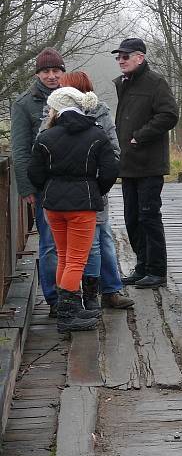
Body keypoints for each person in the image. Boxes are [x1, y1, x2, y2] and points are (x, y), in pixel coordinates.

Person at [28, 87, 119, 333]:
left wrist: (49, 189)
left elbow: (34, 173)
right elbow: (111, 170)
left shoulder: (46, 137)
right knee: (77, 259)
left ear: (57, 108)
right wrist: (95, 189)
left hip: (53, 206)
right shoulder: (96, 135)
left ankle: (66, 306)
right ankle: (68, 315)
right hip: (83, 205)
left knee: (64, 256)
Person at [54, 72, 134, 310]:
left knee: (100, 241)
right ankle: (83, 298)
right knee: (86, 246)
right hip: (68, 195)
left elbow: (113, 152)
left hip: (92, 191)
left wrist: (97, 185)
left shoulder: (100, 113)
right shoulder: (54, 114)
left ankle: (101, 294)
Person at [112, 38, 179, 289]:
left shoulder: (155, 82)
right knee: (131, 218)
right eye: (118, 56)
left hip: (149, 164)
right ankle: (142, 266)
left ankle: (157, 270)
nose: (120, 60)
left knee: (149, 216)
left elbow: (169, 115)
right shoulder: (124, 84)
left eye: (125, 56)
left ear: (140, 57)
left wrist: (140, 135)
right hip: (128, 164)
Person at [11, 48, 65, 317]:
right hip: (44, 184)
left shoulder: (71, 97)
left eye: (56, 71)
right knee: (49, 242)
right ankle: (54, 298)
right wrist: (26, 187)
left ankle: (74, 293)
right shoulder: (24, 103)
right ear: (37, 74)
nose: (52, 76)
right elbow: (19, 151)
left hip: (74, 181)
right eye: (46, 71)